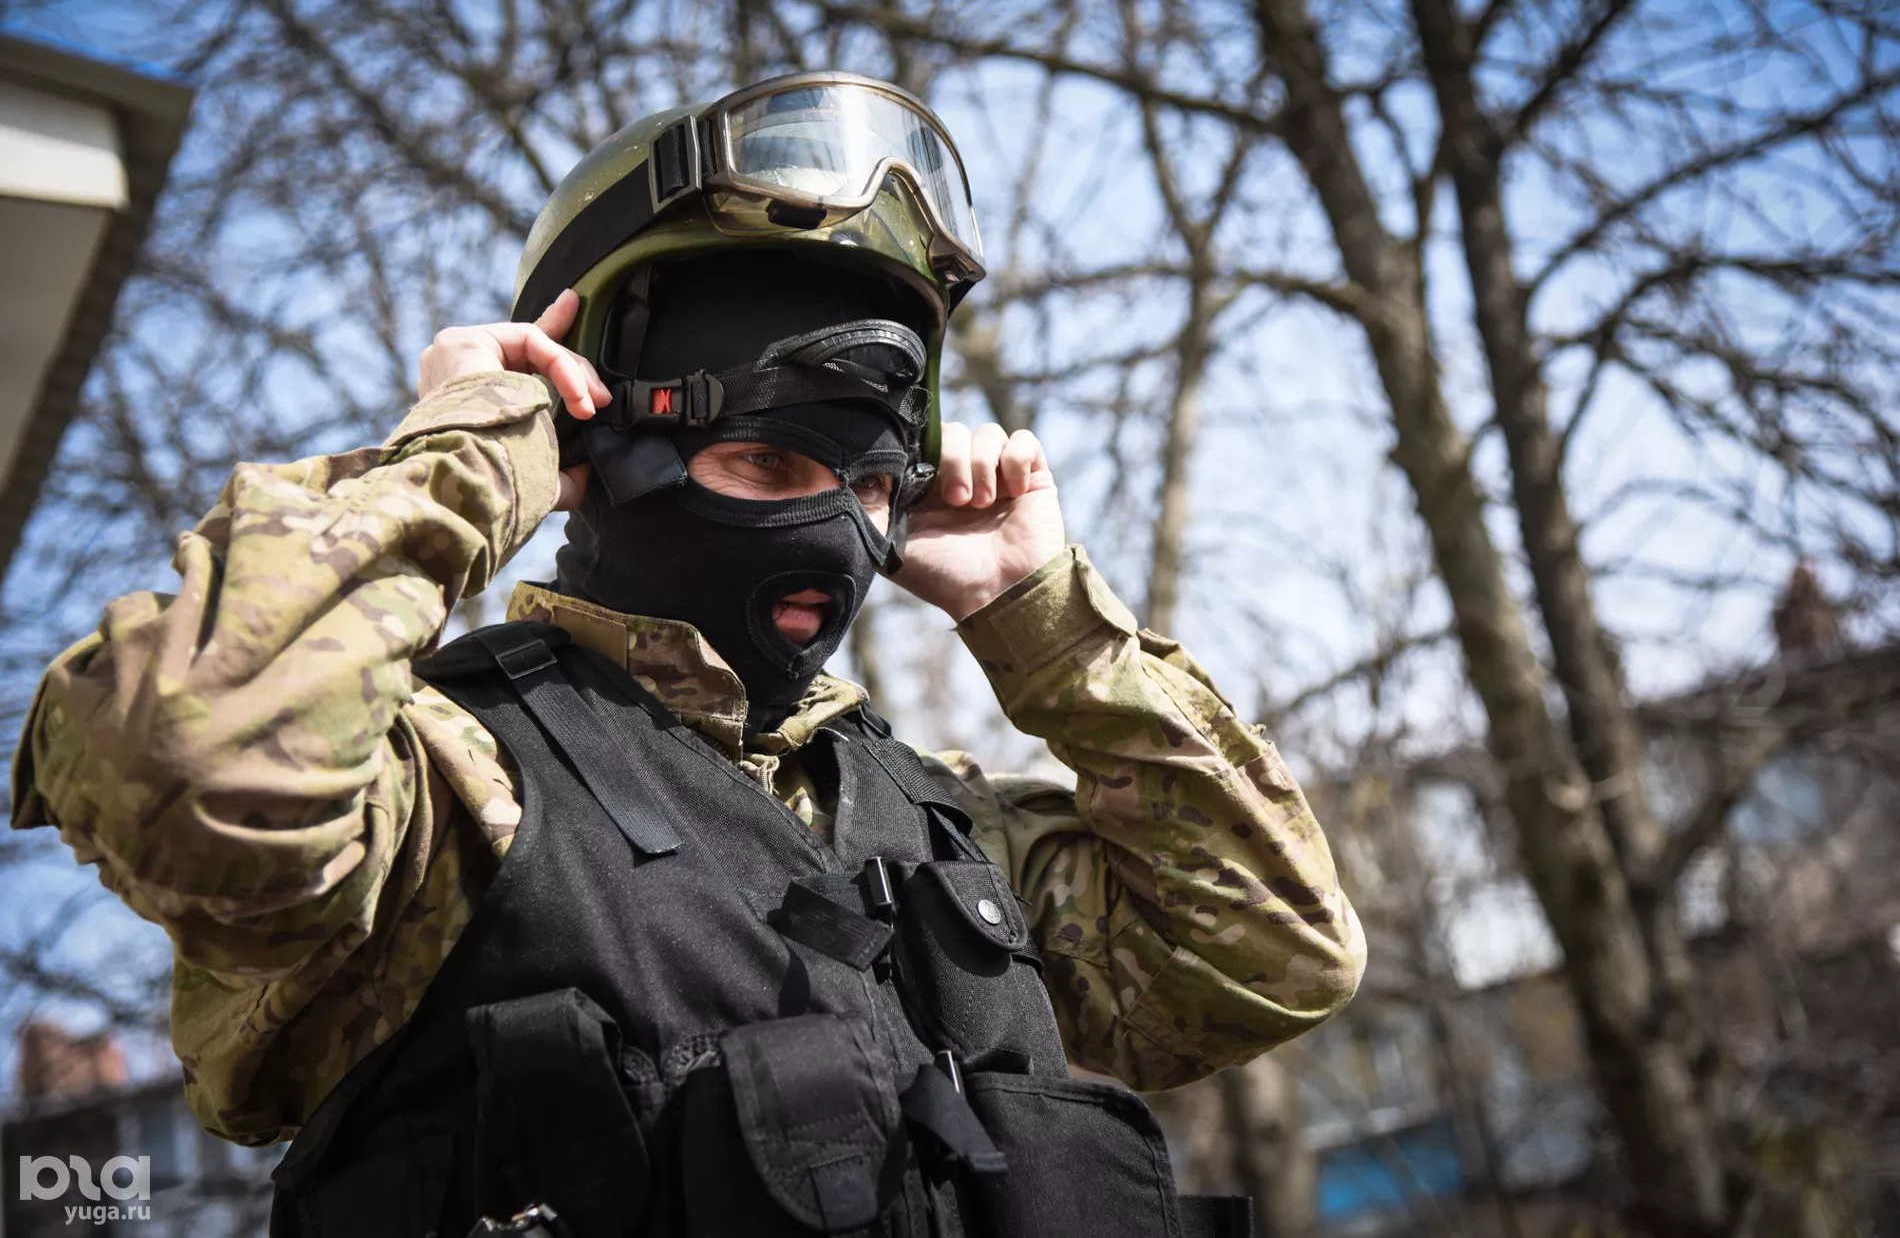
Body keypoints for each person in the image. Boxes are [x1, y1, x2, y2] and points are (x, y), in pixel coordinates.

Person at [11, 72, 1364, 1238]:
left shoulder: (944, 833)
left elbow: (1275, 956)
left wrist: (1045, 615)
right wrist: (468, 451)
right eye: (767, 462)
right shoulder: (442, 802)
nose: (837, 535)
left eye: (870, 485)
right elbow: (191, 752)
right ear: (600, 449)